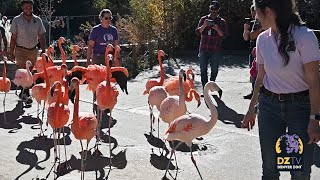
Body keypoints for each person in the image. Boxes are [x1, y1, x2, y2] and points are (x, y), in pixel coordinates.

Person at [242, 0, 320, 179]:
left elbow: (314, 81)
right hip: (269, 108)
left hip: (300, 109)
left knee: (299, 170)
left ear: (268, 11)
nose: (256, 17)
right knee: (270, 168)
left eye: (257, 12)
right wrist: (251, 110)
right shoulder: (262, 39)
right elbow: (260, 78)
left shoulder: (304, 36)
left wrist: (315, 119)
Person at [9, 0, 46, 102]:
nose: (28, 10)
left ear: (32, 8)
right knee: (24, 71)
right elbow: (13, 37)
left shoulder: (37, 20)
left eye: (30, 8)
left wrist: (43, 51)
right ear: (22, 8)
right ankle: (26, 94)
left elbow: (42, 37)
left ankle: (23, 92)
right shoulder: (16, 20)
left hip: (33, 50)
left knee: (29, 72)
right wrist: (11, 53)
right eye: (26, 8)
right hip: (20, 50)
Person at [196, 1, 227, 96]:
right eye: (211, 9)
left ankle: (211, 85)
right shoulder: (203, 19)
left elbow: (224, 35)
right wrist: (204, 25)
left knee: (214, 69)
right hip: (204, 48)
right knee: (203, 70)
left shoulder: (221, 21)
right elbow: (198, 32)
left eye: (215, 9)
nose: (213, 11)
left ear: (218, 10)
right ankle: (205, 90)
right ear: (209, 9)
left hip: (215, 49)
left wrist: (217, 29)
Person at [243, 5, 263, 99]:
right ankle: (253, 92)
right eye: (253, 11)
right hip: (252, 51)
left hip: (262, 51)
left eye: (255, 11)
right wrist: (245, 30)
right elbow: (247, 37)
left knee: (262, 73)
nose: (254, 13)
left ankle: (260, 93)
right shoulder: (251, 23)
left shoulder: (264, 23)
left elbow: (253, 35)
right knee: (253, 73)